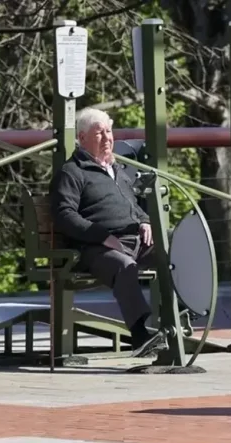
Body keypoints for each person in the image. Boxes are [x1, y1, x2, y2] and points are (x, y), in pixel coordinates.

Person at [49, 108, 167, 358]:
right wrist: (102, 236)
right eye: (99, 133)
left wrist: (145, 221)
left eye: (109, 131)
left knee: (174, 249)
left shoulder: (118, 170)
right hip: (95, 249)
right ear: (82, 138)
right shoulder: (72, 172)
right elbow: (64, 216)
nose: (107, 138)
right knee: (124, 266)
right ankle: (141, 337)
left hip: (135, 240)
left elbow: (133, 205)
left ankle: (176, 322)